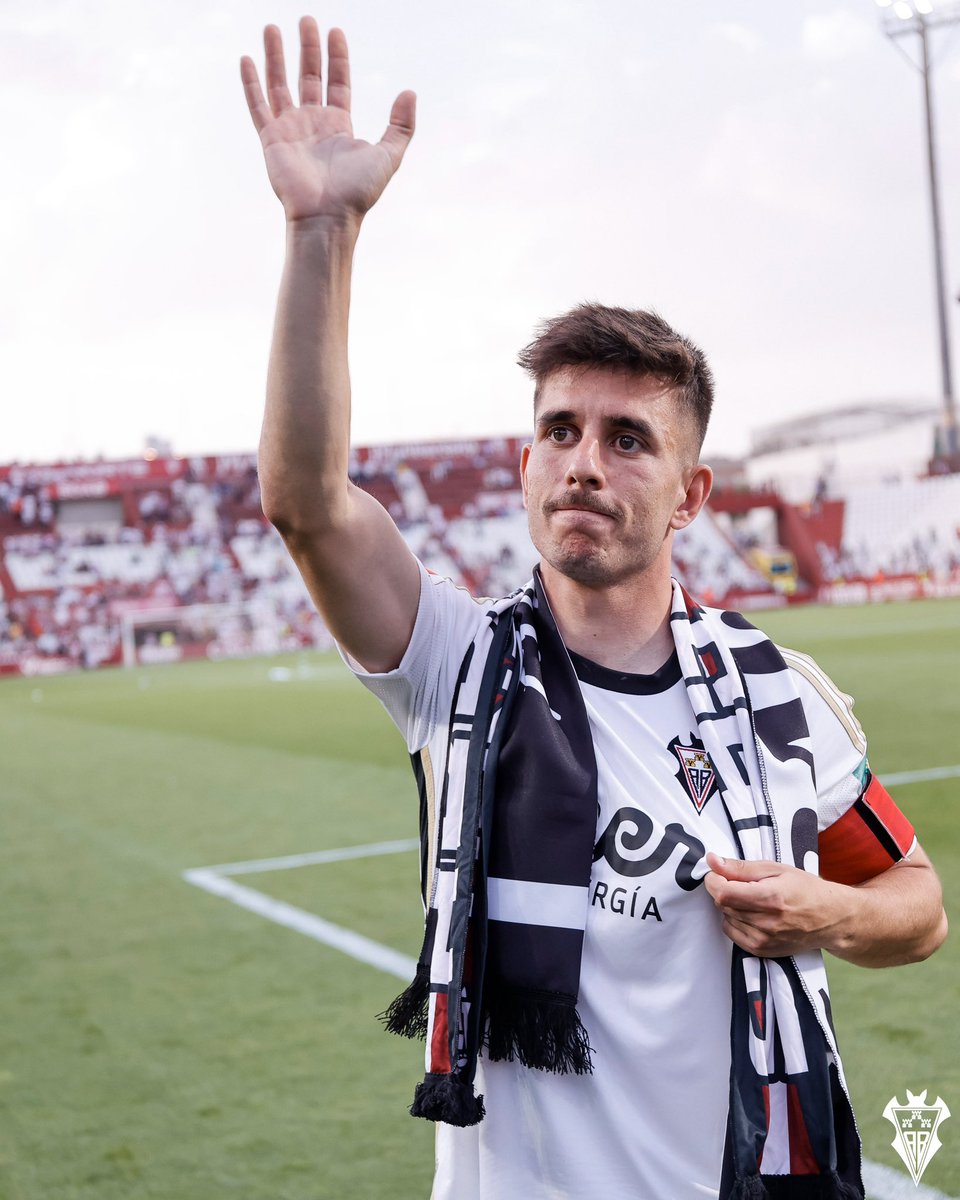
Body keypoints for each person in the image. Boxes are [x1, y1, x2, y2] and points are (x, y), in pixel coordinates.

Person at [241, 20, 947, 1200]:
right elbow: (305, 504)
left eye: (628, 440)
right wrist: (322, 233)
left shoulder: (776, 697)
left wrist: (826, 909)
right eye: (560, 431)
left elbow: (916, 904)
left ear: (691, 495)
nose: (584, 463)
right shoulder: (458, 663)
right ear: (527, 468)